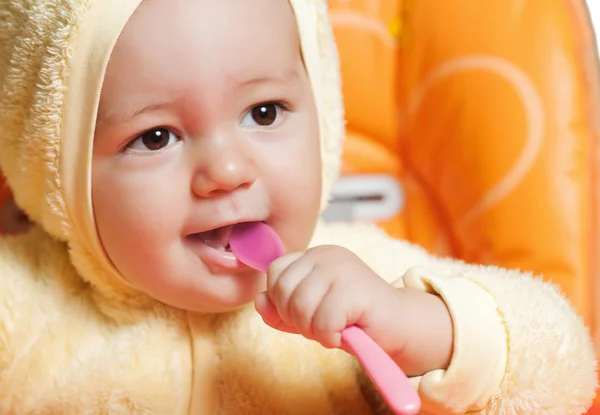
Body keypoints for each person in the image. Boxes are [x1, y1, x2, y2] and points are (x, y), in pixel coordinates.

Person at [0, 0, 595, 413]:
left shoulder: (364, 282)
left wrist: (419, 329)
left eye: (264, 112)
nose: (227, 173)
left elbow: (565, 374)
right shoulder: (23, 301)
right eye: (156, 136)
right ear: (55, 168)